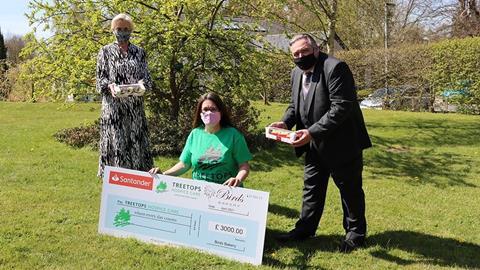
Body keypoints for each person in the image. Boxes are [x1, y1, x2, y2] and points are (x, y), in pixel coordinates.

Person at [269, 34, 372, 252]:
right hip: (314, 145)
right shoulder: (296, 73)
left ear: (316, 49)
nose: (300, 57)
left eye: (304, 51)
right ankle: (305, 229)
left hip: (343, 143)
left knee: (349, 191)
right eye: (295, 54)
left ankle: (355, 235)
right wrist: (285, 122)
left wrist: (312, 132)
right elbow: (295, 105)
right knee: (311, 189)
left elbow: (341, 107)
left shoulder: (335, 68)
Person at [149, 93, 252, 187]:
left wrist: (238, 179)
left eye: (213, 109)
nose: (209, 112)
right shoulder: (195, 134)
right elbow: (184, 164)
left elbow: (244, 165)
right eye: (205, 109)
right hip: (199, 194)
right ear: (200, 113)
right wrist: (163, 175)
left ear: (221, 112)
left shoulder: (233, 135)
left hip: (226, 193)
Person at [96, 13, 153, 178]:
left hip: (135, 109)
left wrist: (142, 84)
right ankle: (116, 185)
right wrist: (110, 86)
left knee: (135, 142)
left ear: (131, 30)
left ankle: (137, 183)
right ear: (113, 29)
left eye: (126, 29)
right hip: (114, 110)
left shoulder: (139, 52)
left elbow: (147, 78)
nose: (122, 32)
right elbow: (100, 79)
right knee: (117, 144)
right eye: (119, 28)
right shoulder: (105, 52)